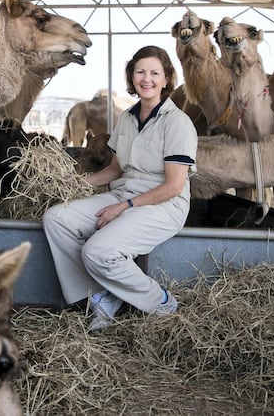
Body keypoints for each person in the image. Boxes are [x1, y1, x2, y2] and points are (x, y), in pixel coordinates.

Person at [43, 45, 197, 331]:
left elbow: (174, 186)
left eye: (154, 73)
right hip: (122, 194)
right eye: (140, 72)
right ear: (131, 77)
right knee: (56, 219)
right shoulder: (127, 119)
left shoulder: (178, 123)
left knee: (97, 251)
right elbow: (115, 170)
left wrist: (123, 208)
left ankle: (161, 302)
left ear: (166, 79)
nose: (146, 79)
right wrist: (75, 183)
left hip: (162, 205)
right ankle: (102, 296)